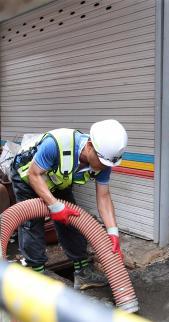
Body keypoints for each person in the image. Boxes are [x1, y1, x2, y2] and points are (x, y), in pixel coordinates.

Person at [10, 119, 127, 290]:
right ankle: (37, 275)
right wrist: (54, 206)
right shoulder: (56, 144)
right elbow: (34, 175)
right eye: (102, 162)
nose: (104, 167)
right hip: (28, 176)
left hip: (58, 181)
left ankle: (83, 273)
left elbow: (104, 197)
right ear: (89, 146)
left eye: (108, 164)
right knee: (31, 224)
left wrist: (112, 232)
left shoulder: (105, 160)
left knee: (72, 220)